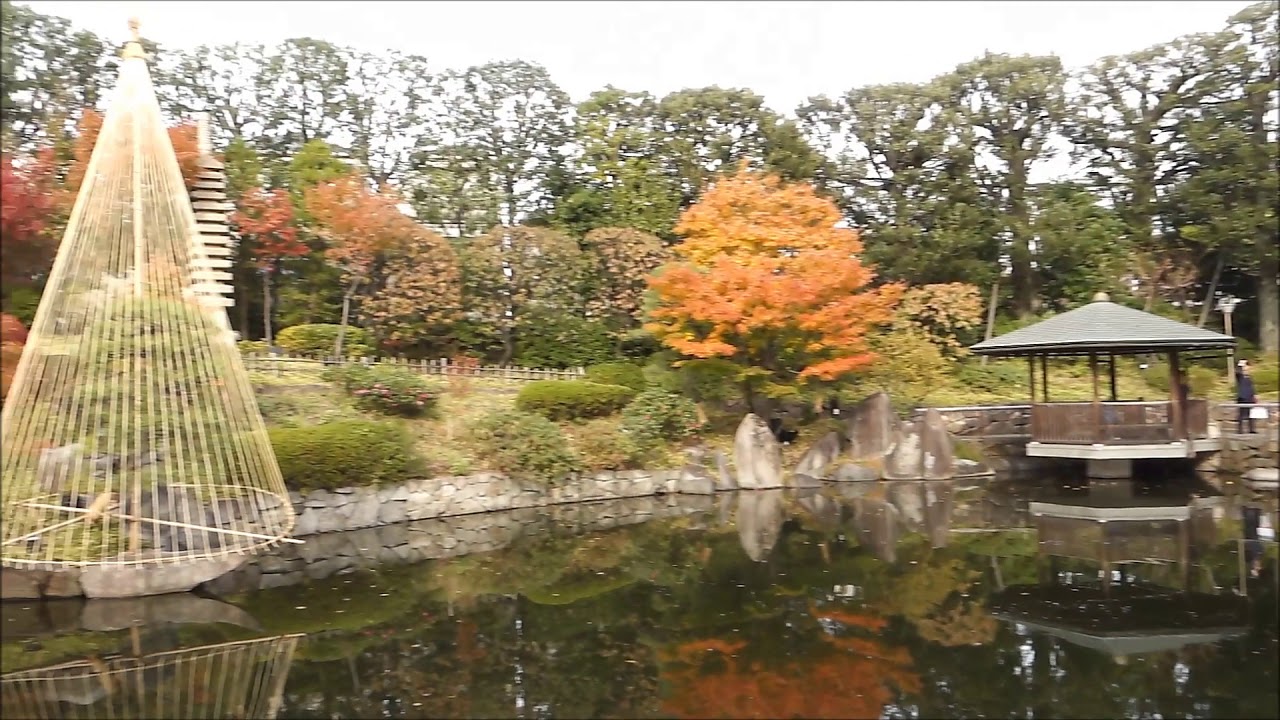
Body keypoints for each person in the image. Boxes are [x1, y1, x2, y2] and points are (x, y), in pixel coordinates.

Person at [1236, 360, 1257, 434]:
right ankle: (1240, 430)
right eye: (1246, 367)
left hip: (1250, 397)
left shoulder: (1249, 377)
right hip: (1242, 397)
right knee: (1241, 414)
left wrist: (1254, 395)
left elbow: (1251, 387)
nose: (1247, 368)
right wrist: (1241, 364)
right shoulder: (1240, 376)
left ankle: (1252, 429)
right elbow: (1238, 371)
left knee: (1251, 414)